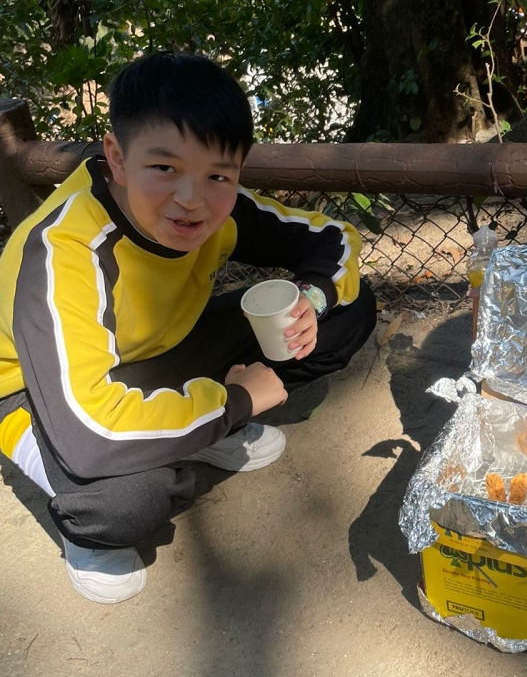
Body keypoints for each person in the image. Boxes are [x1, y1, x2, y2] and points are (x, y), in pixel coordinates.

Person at [0, 53, 376, 604]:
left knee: (347, 308)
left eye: (218, 175)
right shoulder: (63, 251)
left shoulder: (222, 209)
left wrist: (312, 299)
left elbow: (333, 239)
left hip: (154, 357)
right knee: (125, 504)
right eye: (164, 168)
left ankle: (187, 427)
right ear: (117, 158)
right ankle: (94, 526)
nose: (192, 200)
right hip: (36, 394)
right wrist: (236, 403)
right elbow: (89, 436)